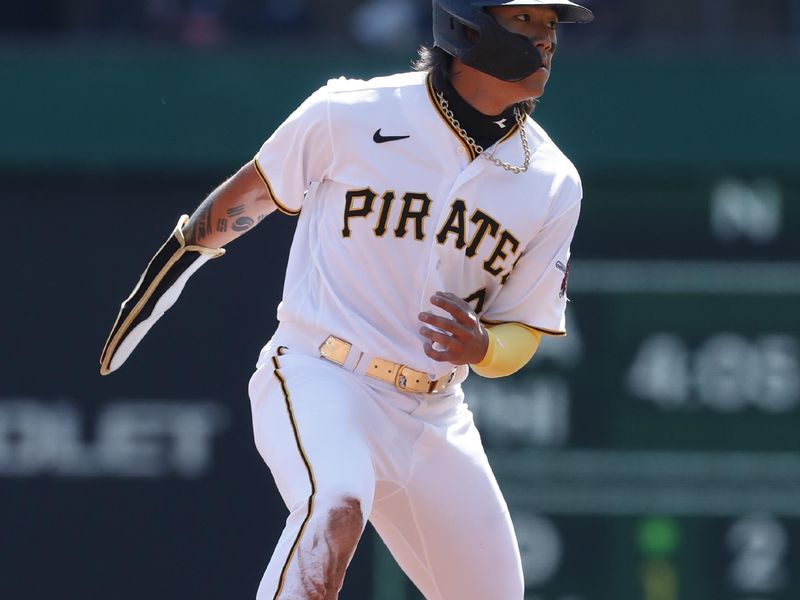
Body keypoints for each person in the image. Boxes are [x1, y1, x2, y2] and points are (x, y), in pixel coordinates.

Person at [100, 0, 593, 597]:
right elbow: (250, 198)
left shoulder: (551, 179)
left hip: (434, 414)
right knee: (335, 502)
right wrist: (159, 285)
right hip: (323, 372)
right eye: (525, 20)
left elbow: (525, 330)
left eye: (550, 25)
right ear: (467, 23)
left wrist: (487, 346)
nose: (545, 40)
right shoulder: (354, 112)